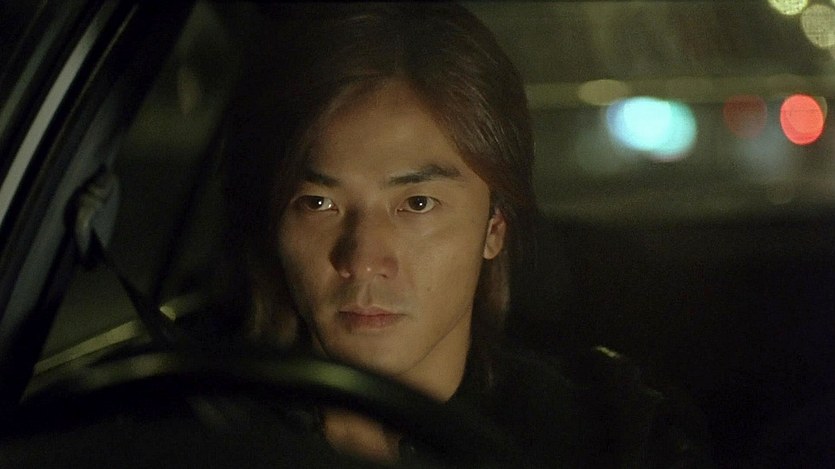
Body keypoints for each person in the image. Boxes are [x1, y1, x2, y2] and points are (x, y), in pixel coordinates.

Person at [218, 3, 712, 467]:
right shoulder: (203, 434)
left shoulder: (606, 437)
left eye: (417, 204)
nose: (363, 259)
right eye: (318, 204)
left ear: (494, 227)